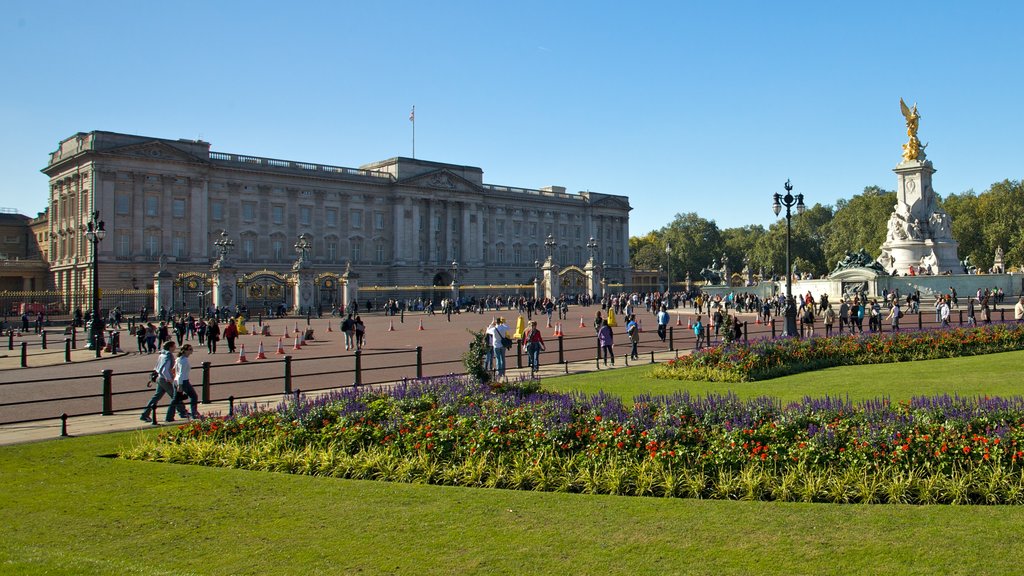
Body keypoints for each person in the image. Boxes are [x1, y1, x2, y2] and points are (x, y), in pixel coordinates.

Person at [140, 341, 186, 423]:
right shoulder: (168, 355)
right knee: (175, 396)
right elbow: (165, 370)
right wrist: (170, 379)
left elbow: (157, 367)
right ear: (170, 347)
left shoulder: (162, 354)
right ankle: (182, 412)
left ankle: (145, 414)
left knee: (156, 397)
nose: (175, 347)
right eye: (174, 346)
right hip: (165, 379)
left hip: (159, 378)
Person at [170, 344, 200, 419]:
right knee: (194, 396)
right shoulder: (184, 360)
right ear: (185, 351)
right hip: (183, 381)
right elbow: (181, 373)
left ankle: (169, 416)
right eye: (190, 349)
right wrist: (180, 385)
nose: (191, 351)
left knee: (175, 400)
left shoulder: (178, 359)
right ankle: (194, 413)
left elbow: (173, 370)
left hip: (176, 381)